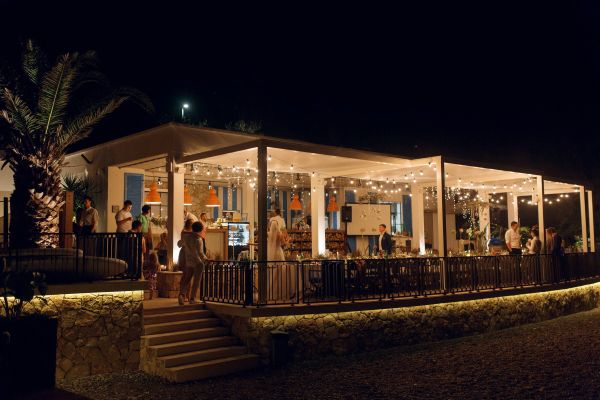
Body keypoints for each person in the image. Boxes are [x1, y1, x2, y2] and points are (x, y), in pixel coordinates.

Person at [178, 221, 208, 305]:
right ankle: (192, 298)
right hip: (198, 263)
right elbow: (200, 253)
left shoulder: (187, 237)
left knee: (186, 280)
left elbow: (179, 244)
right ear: (201, 229)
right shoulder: (199, 239)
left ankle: (182, 295)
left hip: (188, 262)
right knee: (196, 281)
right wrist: (206, 259)